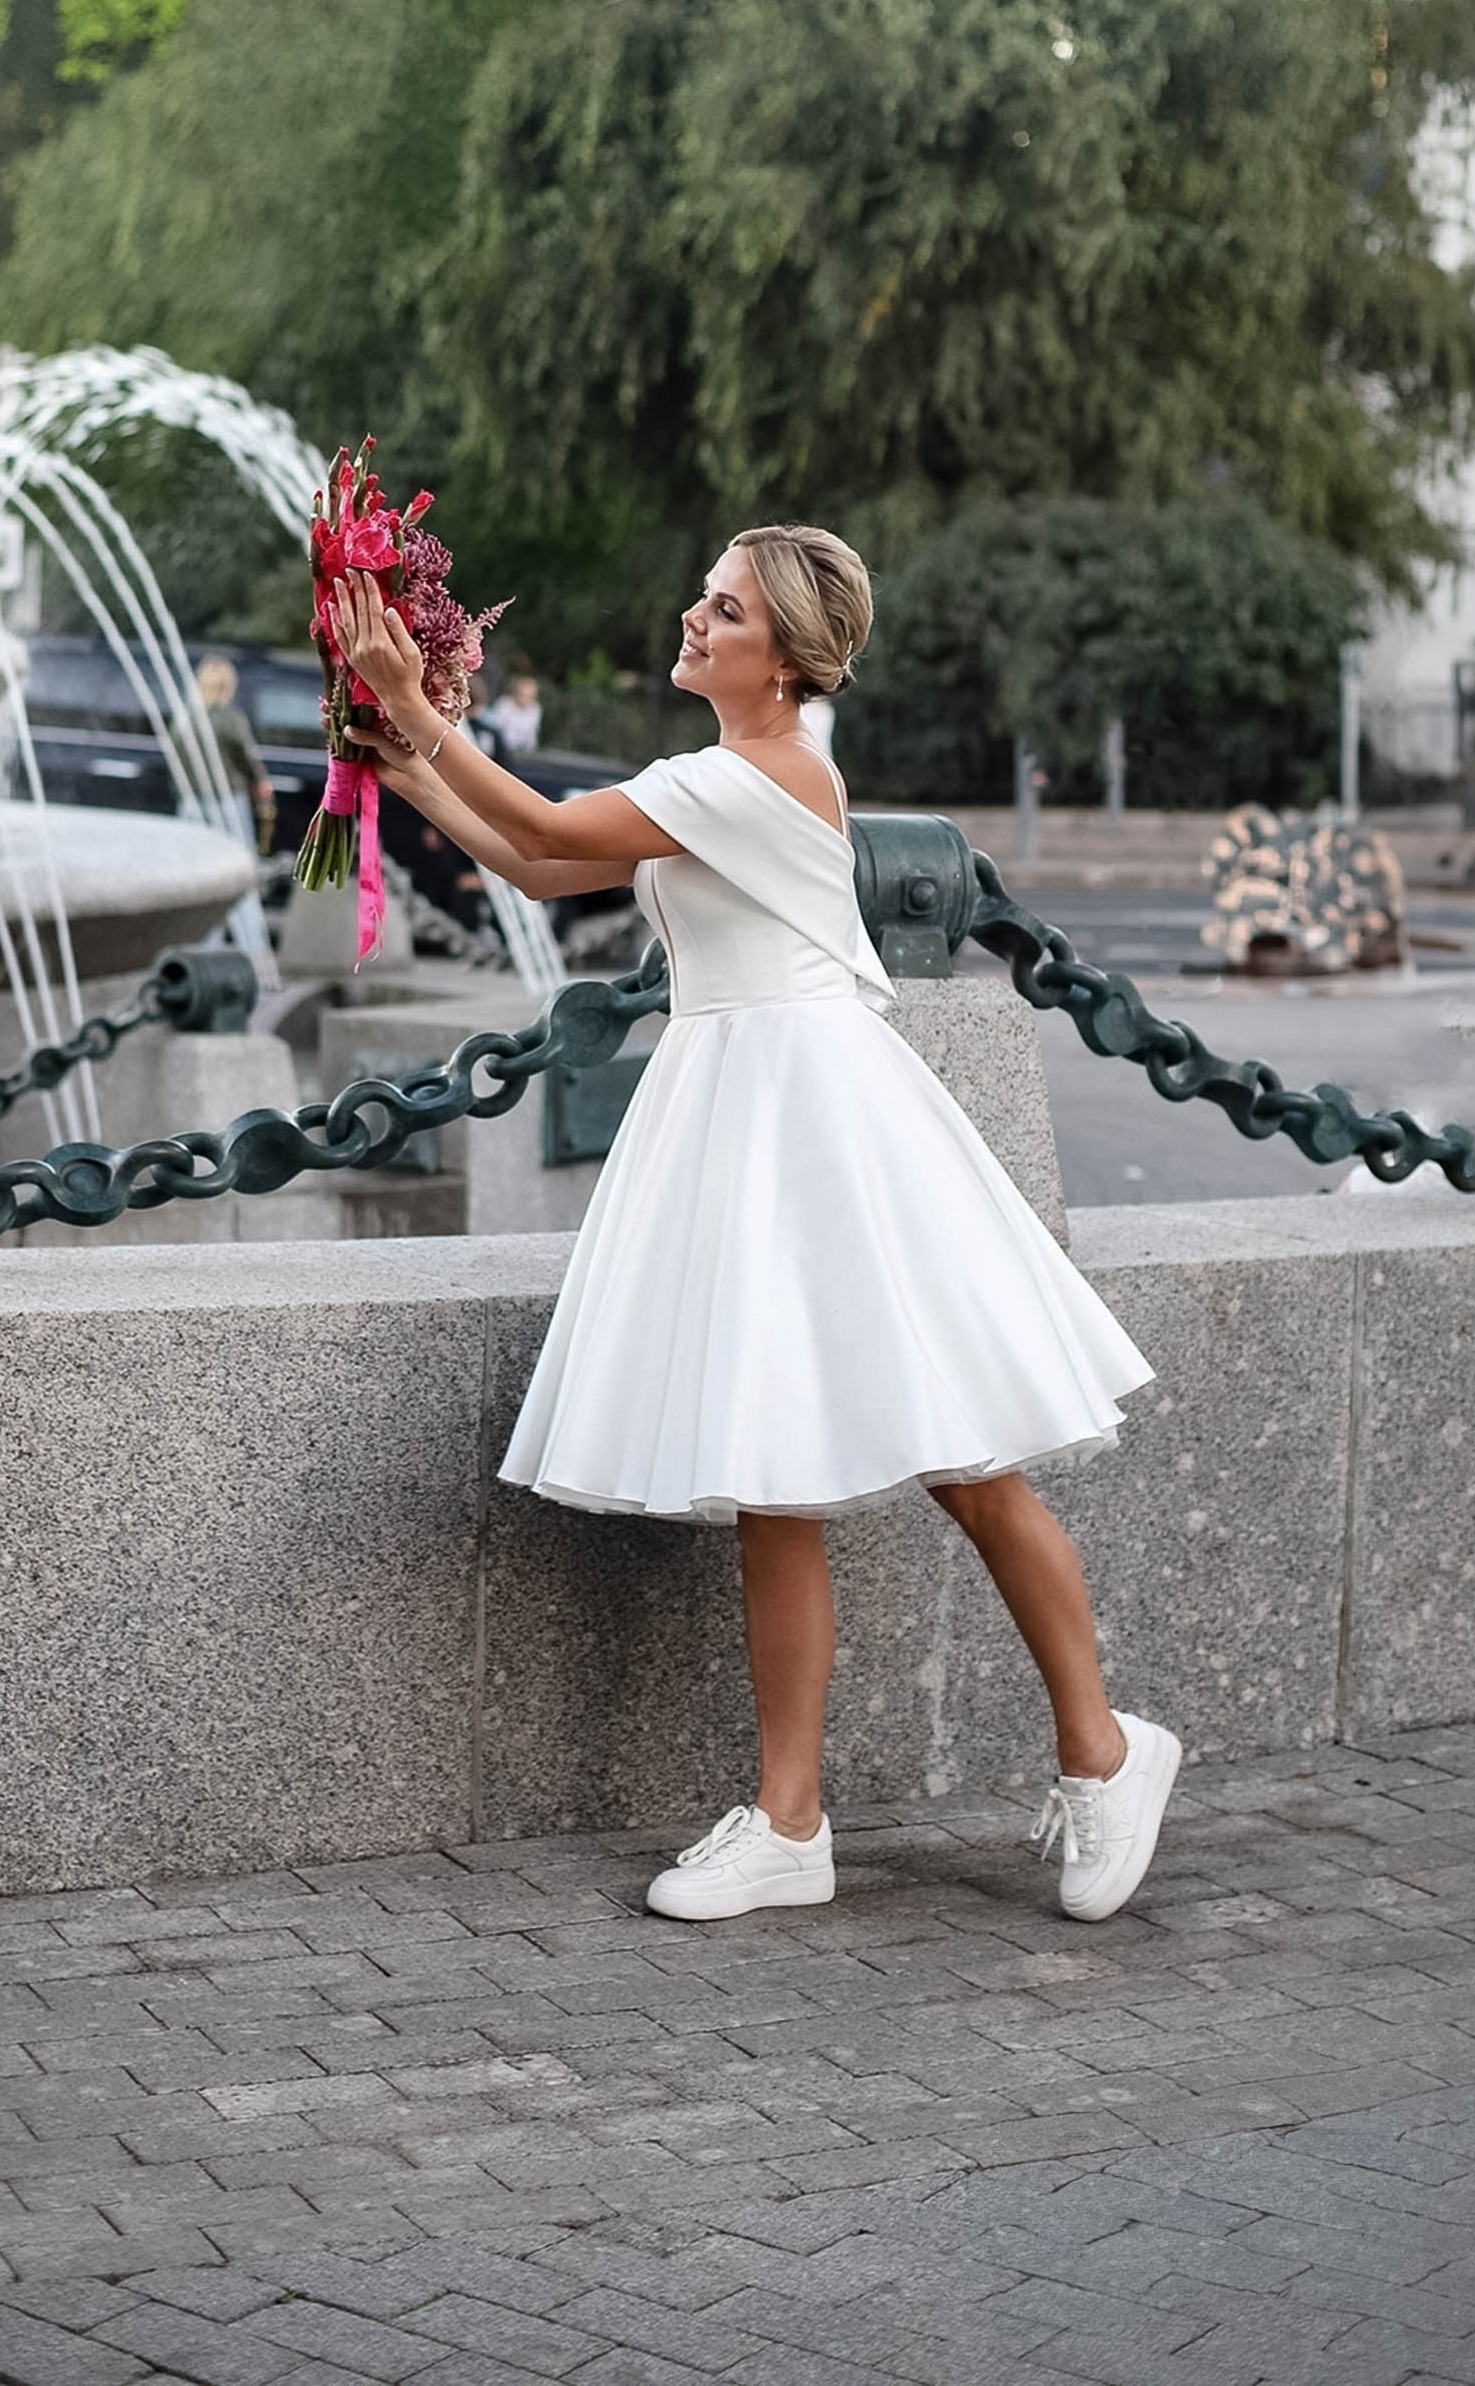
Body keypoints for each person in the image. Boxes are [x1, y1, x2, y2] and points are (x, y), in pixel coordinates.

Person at [333, 525, 1177, 1929]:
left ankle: (1106, 1752)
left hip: (821, 1117)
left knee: (972, 1460)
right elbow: (543, 870)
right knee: (774, 1471)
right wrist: (398, 747)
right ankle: (791, 1825)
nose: (693, 616)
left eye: (723, 609)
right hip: (746, 1104)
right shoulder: (716, 782)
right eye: (705, 597)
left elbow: (548, 829)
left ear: (781, 657)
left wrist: (414, 708)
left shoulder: (762, 771)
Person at [185, 652, 274, 852]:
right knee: (235, 857)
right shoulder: (231, 718)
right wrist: (260, 780)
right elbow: (247, 755)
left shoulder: (186, 719)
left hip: (191, 797)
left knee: (194, 856)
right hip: (228, 798)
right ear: (227, 686)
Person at [487, 667, 543, 758]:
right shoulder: (504, 705)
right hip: (500, 753)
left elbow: (531, 735)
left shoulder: (535, 710)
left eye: (529, 696)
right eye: (522, 694)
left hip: (521, 754)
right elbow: (494, 730)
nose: (524, 699)